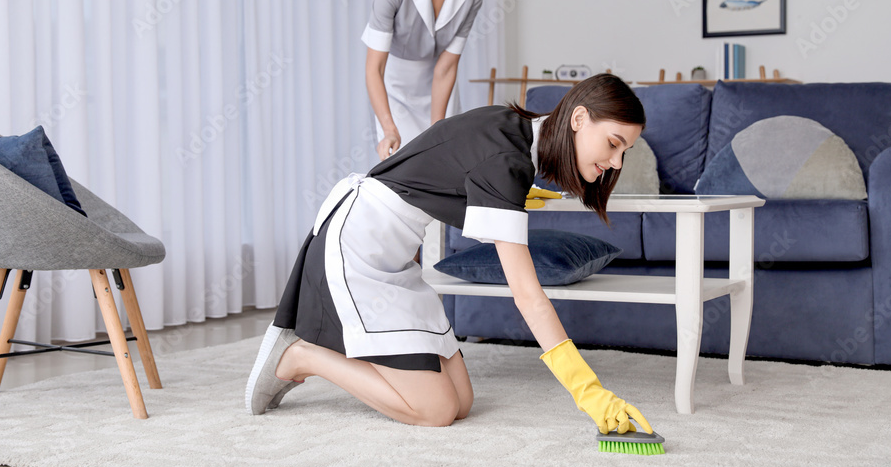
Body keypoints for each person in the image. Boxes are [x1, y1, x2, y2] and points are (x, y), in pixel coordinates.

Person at [245, 73, 655, 435]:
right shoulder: (507, 161)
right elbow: (528, 296)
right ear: (579, 119)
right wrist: (588, 391)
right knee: (436, 410)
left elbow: (448, 167)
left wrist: (510, 198)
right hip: (357, 244)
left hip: (397, 256)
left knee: (460, 402)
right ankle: (300, 356)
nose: (616, 161)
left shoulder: (516, 135)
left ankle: (331, 356)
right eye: (614, 144)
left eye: (625, 151)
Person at [364, 0, 496, 161]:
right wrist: (389, 129)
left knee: (444, 162)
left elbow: (445, 68)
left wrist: (439, 129)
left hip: (439, 91)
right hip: (395, 92)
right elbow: (374, 69)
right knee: (404, 171)